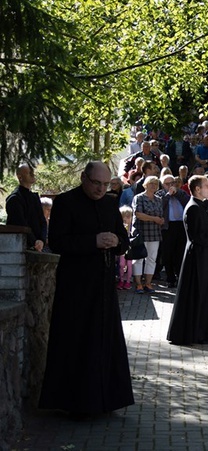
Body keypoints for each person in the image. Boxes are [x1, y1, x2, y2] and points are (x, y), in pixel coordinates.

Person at [39, 161, 134, 415]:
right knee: (77, 341)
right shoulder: (66, 202)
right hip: (76, 285)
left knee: (104, 340)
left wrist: (117, 242)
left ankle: (107, 400)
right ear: (84, 178)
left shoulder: (109, 203)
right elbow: (57, 242)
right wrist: (92, 241)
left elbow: (124, 242)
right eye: (96, 183)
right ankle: (75, 403)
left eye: (105, 184)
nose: (101, 189)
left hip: (103, 285)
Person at [167, 175, 208, 345]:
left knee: (203, 294)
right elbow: (197, 236)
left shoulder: (199, 206)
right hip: (197, 259)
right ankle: (194, 332)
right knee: (196, 295)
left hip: (203, 257)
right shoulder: (193, 208)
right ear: (198, 189)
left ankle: (201, 330)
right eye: (207, 185)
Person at [132, 176, 164, 294]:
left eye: (156, 184)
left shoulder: (159, 199)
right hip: (141, 232)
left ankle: (148, 284)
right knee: (139, 258)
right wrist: (155, 219)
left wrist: (160, 220)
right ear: (145, 184)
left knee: (152, 259)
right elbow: (139, 214)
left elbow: (160, 215)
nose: (153, 186)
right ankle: (139, 284)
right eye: (151, 183)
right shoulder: (139, 198)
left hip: (154, 233)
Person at [5, 163, 46, 251]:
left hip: (39, 246)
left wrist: (42, 240)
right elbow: (21, 225)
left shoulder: (34, 197)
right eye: (29, 172)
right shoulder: (14, 199)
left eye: (32, 172)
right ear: (20, 177)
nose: (32, 174)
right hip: (22, 248)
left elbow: (42, 221)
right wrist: (35, 242)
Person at [158, 174, 190, 287]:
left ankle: (180, 277)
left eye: (172, 183)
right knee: (168, 253)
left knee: (180, 252)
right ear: (162, 185)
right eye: (167, 184)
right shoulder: (160, 195)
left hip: (181, 226)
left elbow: (188, 202)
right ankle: (170, 278)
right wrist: (168, 195)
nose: (170, 186)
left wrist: (177, 193)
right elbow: (160, 206)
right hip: (168, 227)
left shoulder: (181, 193)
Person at [118, 206, 134, 290]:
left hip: (130, 250)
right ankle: (121, 279)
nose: (125, 219)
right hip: (123, 250)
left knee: (129, 265)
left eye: (128, 217)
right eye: (123, 217)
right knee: (121, 264)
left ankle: (128, 281)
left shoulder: (133, 228)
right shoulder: (120, 227)